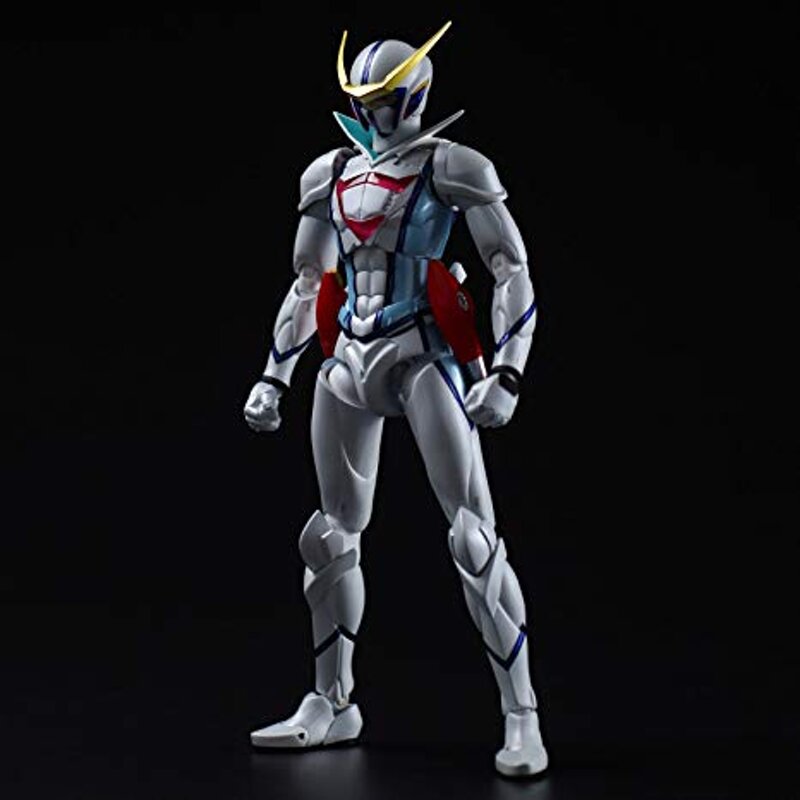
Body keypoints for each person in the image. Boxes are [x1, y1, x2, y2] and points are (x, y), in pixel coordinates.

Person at [243, 21, 547, 777]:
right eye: (362, 99)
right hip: (347, 359)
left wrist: (507, 372)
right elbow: (308, 282)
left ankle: (522, 716)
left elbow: (510, 267)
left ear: (414, 95)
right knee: (328, 538)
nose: (371, 113)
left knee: (473, 540)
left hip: (423, 356)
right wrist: (274, 374)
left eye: (382, 98)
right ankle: (332, 702)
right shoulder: (329, 174)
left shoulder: (454, 165)